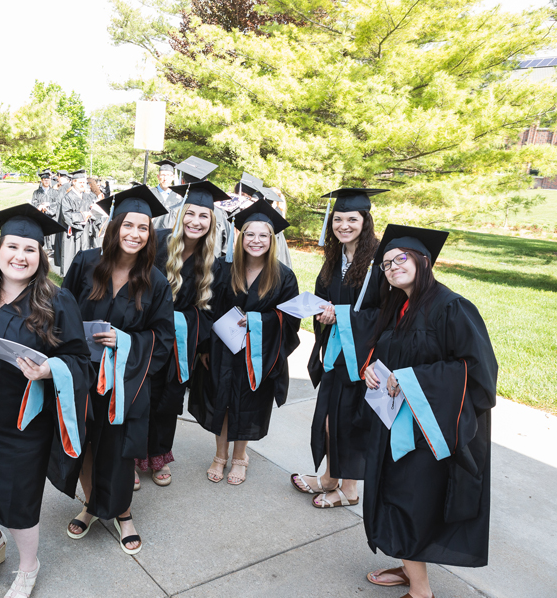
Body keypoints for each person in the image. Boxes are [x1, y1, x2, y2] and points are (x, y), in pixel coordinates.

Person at [0, 204, 90, 598]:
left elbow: (80, 359)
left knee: (18, 494)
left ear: (41, 257)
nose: (20, 256)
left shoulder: (56, 301)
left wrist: (49, 371)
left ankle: (29, 566)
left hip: (23, 421)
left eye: (30, 249)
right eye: (12, 246)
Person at [362, 225, 497, 598]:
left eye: (400, 258)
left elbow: (478, 372)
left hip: (431, 428)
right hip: (397, 421)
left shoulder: (451, 307)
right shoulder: (398, 306)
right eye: (387, 264)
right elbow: (388, 353)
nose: (392, 267)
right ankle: (409, 567)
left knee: (411, 502)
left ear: (424, 260)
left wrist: (413, 380)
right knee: (395, 494)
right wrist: (371, 367)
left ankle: (421, 591)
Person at [52, 185, 174, 556]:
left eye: (143, 228)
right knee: (86, 441)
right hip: (83, 373)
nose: (135, 234)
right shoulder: (86, 263)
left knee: (119, 447)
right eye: (128, 225)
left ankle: (123, 512)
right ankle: (91, 505)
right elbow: (62, 310)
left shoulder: (155, 281)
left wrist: (127, 342)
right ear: (115, 226)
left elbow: (163, 337)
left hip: (127, 379)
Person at [189, 199, 300, 485]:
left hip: (258, 354)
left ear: (272, 239)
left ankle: (240, 457)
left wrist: (257, 321)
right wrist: (203, 347)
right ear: (240, 236)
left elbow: (289, 320)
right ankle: (219, 455)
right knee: (221, 401)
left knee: (248, 404)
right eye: (250, 234)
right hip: (222, 351)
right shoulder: (223, 270)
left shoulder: (284, 277)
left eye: (263, 235)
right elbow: (206, 308)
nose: (256, 240)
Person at [291, 188, 387, 508]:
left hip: (364, 354)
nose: (343, 225)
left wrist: (342, 315)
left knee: (348, 420)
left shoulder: (378, 260)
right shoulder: (336, 257)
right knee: (334, 418)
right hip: (337, 349)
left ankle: (347, 489)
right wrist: (321, 311)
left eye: (352, 219)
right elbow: (326, 296)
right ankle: (333, 479)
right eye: (338, 219)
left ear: (366, 221)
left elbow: (386, 312)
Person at [134, 180, 226, 488]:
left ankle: (159, 455)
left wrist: (196, 338)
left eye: (204, 216)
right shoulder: (156, 243)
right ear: (180, 214)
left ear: (212, 222)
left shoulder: (214, 262)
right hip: (146, 335)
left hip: (181, 342)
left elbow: (212, 310)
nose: (195, 222)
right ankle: (132, 457)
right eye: (191, 213)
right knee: (139, 396)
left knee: (169, 398)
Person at [55, 169, 95, 274]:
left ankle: (83, 277)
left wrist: (93, 211)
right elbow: (66, 215)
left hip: (85, 232)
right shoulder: (67, 198)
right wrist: (83, 215)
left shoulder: (87, 197)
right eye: (80, 182)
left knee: (85, 253)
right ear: (74, 182)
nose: (83, 185)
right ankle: (69, 280)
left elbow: (94, 214)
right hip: (72, 233)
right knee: (71, 256)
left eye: (84, 182)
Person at [150, 159, 183, 230]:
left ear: (173, 177)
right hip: (153, 233)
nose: (165, 178)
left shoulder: (179, 196)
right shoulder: (150, 193)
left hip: (172, 235)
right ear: (158, 177)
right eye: (163, 175)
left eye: (168, 175)